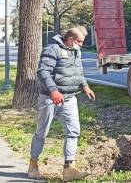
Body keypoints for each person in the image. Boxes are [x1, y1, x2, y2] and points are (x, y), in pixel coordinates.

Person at [27, 27, 95, 180]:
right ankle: (33, 165)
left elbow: (78, 72)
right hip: (50, 99)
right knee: (41, 132)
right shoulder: (52, 50)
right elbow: (43, 71)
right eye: (80, 41)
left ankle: (69, 168)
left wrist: (85, 86)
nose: (81, 45)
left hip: (70, 98)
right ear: (70, 39)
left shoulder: (76, 51)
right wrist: (53, 91)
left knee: (73, 131)